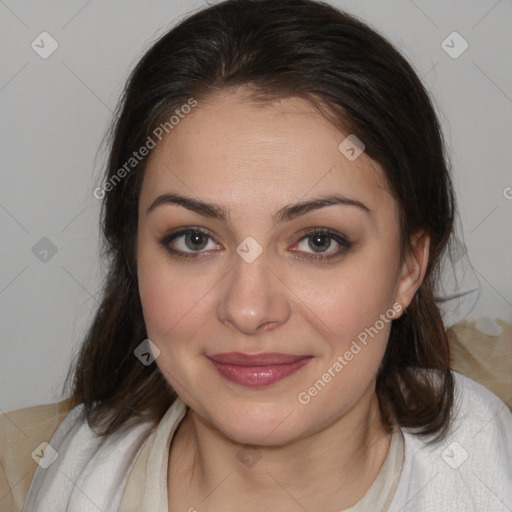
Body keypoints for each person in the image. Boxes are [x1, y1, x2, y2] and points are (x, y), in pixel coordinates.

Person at [1, 0, 511, 511]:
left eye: (318, 241)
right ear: (134, 256)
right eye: (195, 240)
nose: (248, 310)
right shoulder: (50, 474)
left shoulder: (488, 468)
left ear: (408, 269)